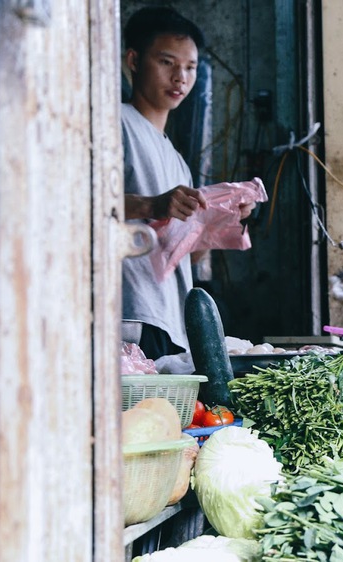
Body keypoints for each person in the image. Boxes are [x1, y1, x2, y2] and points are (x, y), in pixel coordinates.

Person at [121, 7, 252, 361]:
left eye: (190, 67)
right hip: (128, 315)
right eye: (167, 62)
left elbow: (188, 255)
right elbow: (79, 202)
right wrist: (151, 205)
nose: (180, 77)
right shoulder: (116, 123)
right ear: (133, 60)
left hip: (171, 321)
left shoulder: (177, 161)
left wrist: (217, 223)